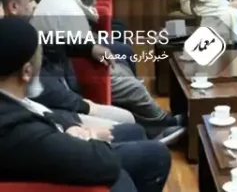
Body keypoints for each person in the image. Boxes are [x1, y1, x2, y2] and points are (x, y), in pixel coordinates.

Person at [0, 17, 171, 191]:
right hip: (68, 156)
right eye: (40, 59)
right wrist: (90, 137)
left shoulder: (11, 94)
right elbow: (105, 163)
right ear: (27, 72)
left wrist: (69, 126)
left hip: (63, 135)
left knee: (135, 131)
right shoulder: (18, 130)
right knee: (155, 156)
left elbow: (42, 112)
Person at [31, 0, 185, 142]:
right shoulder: (67, 9)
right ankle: (163, 123)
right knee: (131, 86)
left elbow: (81, 41)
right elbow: (79, 49)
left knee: (123, 66)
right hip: (71, 75)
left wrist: (94, 48)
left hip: (70, 64)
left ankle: (156, 124)